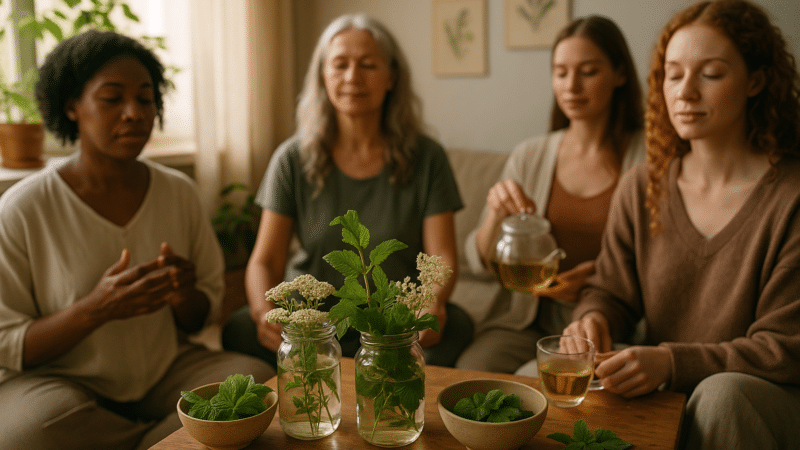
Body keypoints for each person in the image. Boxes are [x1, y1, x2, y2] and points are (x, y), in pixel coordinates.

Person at [0, 31, 275, 450]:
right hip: (57, 383)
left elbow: (201, 317)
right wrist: (95, 310)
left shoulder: (178, 192)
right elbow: (8, 345)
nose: (134, 113)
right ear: (72, 106)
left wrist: (184, 294)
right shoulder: (23, 208)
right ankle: (169, 440)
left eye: (145, 99)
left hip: (164, 372)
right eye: (112, 99)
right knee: (26, 434)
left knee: (255, 381)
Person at [557, 1, 800, 448]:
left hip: (764, 394)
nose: (685, 93)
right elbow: (611, 289)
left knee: (722, 396)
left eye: (710, 74)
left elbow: (785, 348)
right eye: (673, 74)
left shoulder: (791, 198)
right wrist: (593, 318)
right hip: (663, 382)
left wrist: (671, 363)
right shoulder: (643, 183)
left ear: (757, 81)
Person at [222, 14, 471, 367]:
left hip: (392, 317)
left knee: (457, 325)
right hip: (316, 320)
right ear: (323, 75)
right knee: (237, 328)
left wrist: (435, 303)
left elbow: (442, 255)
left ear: (392, 77)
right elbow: (265, 260)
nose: (353, 78)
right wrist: (264, 313)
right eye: (340, 65)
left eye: (368, 65)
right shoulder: (291, 158)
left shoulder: (428, 157)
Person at [455, 16, 645, 373]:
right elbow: (479, 260)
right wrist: (496, 213)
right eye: (560, 72)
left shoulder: (649, 157)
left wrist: (601, 282)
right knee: (469, 376)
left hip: (607, 324)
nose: (571, 86)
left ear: (620, 74)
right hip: (524, 322)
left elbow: (665, 262)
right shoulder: (531, 154)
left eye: (588, 71)